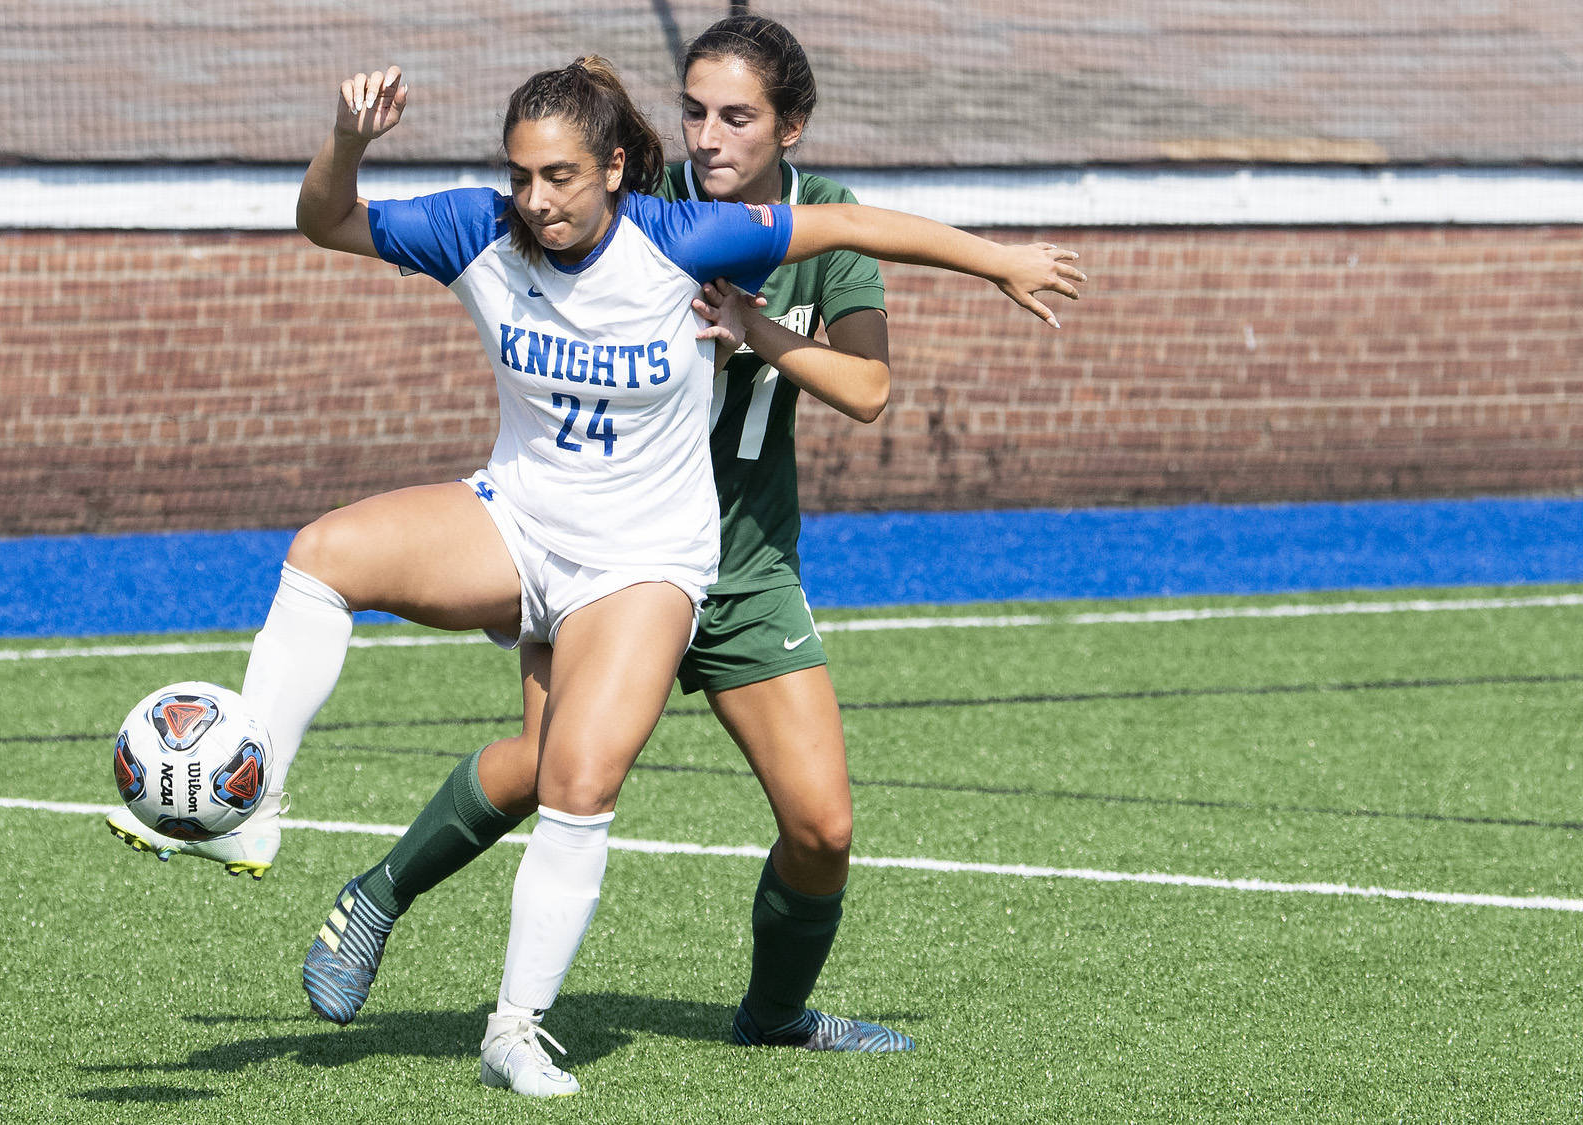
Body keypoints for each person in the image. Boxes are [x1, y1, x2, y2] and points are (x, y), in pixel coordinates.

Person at [114, 50, 1082, 1097]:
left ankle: (530, 1030)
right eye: (522, 176)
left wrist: (994, 260)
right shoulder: (477, 225)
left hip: (659, 562)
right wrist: (348, 140)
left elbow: (855, 252)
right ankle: (248, 791)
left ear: (621, 167)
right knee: (324, 555)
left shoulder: (691, 235)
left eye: (559, 178)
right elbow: (327, 221)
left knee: (622, 788)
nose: (535, 200)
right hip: (521, 523)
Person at [299, 12, 969, 1064]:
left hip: (740, 565)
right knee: (542, 768)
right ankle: (375, 900)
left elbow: (868, 389)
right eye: (695, 112)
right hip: (602, 553)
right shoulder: (634, 213)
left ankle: (775, 1016)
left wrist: (753, 329)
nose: (708, 137)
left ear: (790, 125)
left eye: (736, 117)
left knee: (822, 828)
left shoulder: (820, 222)